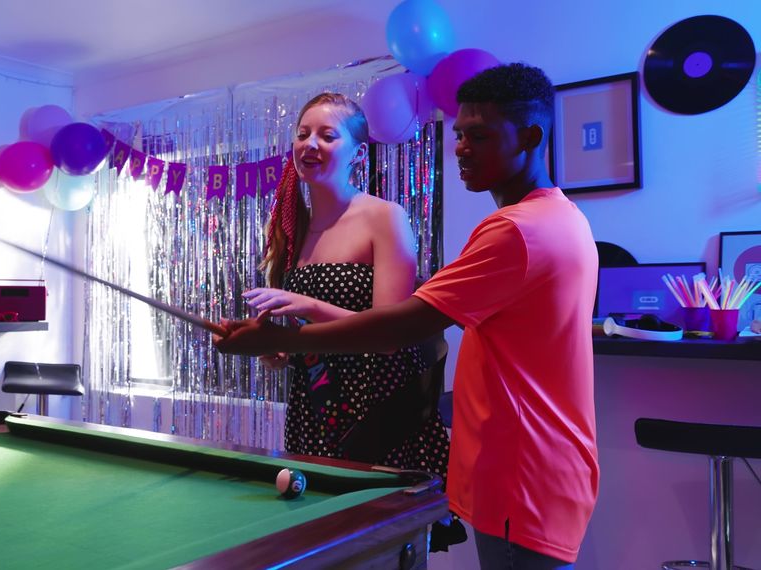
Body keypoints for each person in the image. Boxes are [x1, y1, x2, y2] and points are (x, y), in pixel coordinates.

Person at [214, 64, 598, 569]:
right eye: (459, 134)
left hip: (519, 467)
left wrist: (283, 333)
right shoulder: (561, 217)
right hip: (532, 463)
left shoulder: (517, 232)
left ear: (530, 136)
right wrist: (283, 346)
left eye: (477, 136)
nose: (459, 147)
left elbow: (401, 324)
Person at [246, 92, 451, 477]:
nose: (310, 143)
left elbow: (391, 335)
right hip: (314, 407)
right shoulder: (294, 229)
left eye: (327, 135)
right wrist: (279, 349)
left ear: (358, 153)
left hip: (377, 411)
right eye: (303, 133)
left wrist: (306, 307)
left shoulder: (385, 217)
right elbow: (311, 336)